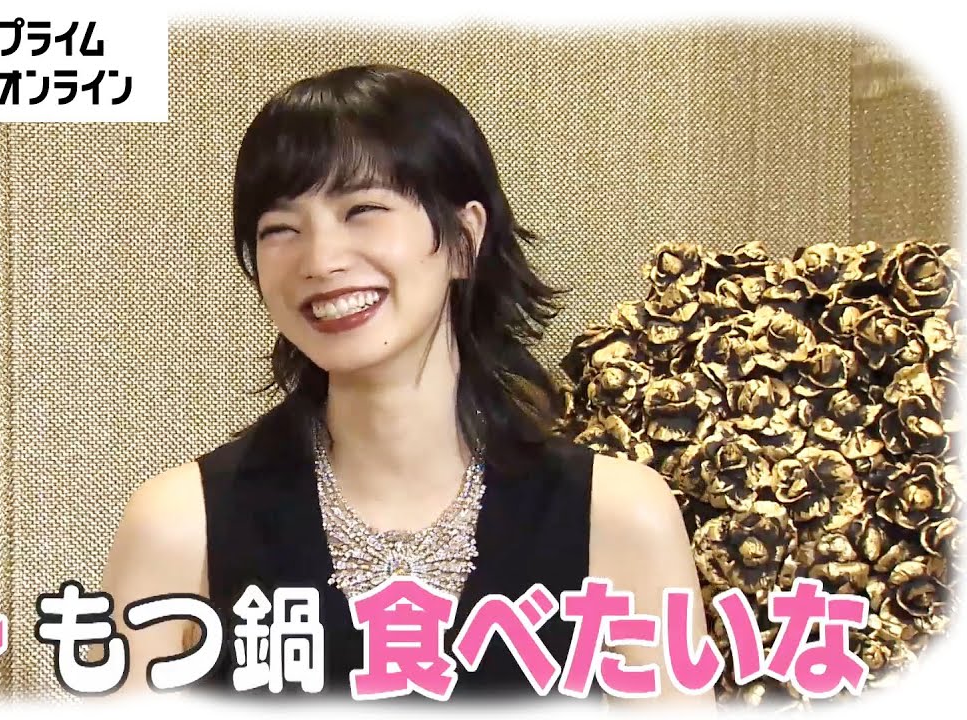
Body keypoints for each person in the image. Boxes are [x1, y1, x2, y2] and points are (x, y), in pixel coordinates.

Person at [98, 63, 713, 708]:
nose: (321, 260)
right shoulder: (180, 525)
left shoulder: (616, 516)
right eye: (280, 229)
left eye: (363, 210)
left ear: (464, 240)